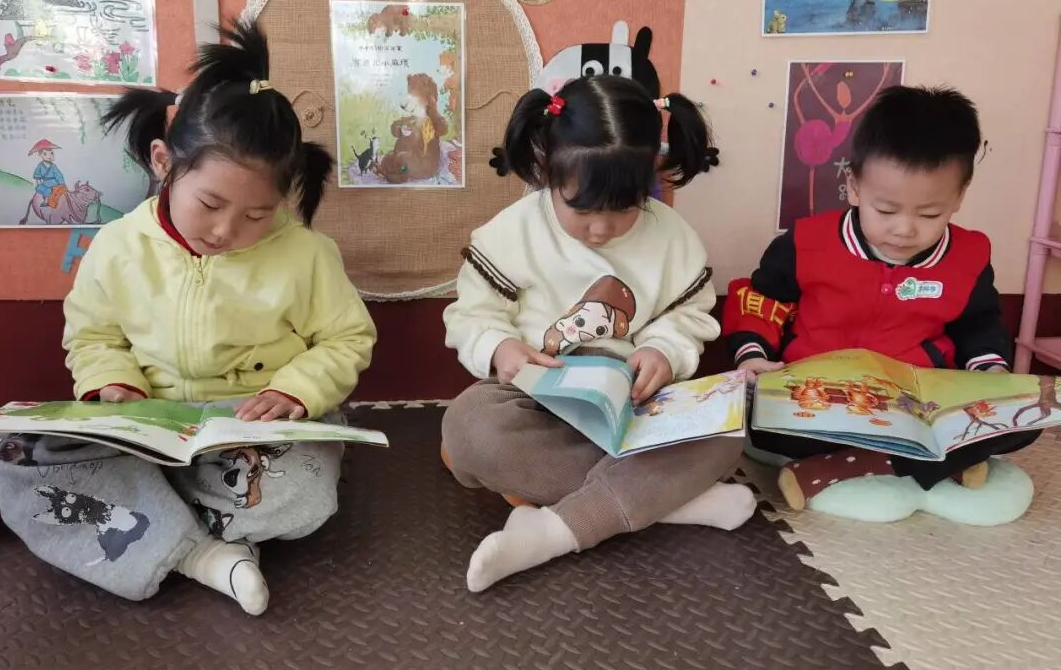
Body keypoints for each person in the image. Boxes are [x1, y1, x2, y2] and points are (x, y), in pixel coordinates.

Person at [0, 20, 376, 614]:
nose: (226, 230)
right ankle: (209, 553)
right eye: (210, 203)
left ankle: (142, 524)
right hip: (143, 432)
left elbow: (347, 338)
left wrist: (294, 390)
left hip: (248, 436)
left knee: (307, 491)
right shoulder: (117, 245)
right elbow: (93, 334)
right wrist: (112, 383)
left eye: (257, 216)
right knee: (4, 454)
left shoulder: (307, 254)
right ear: (164, 163)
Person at [441, 75, 756, 593]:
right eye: (582, 210)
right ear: (546, 169)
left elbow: (689, 316)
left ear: (650, 176)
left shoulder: (673, 238)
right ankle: (669, 499)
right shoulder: (512, 231)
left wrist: (663, 350)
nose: (602, 229)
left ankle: (553, 530)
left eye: (625, 209)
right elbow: (472, 313)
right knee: (468, 428)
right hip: (537, 403)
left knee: (730, 432)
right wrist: (501, 347)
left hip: (637, 408)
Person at [723, 85, 1039, 510]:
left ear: (960, 196)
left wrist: (992, 372)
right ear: (853, 186)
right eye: (886, 210)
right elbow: (761, 301)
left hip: (917, 405)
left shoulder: (968, 257)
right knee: (755, 419)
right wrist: (752, 357)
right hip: (820, 398)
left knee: (1023, 422)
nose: (904, 230)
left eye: (930, 214)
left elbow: (979, 325)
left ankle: (851, 465)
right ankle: (933, 463)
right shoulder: (806, 242)